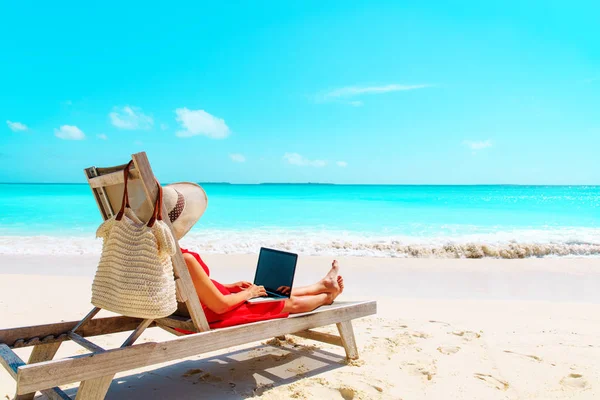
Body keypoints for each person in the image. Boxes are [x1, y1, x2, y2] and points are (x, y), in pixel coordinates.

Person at [146, 182, 344, 329]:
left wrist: (228, 287)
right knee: (286, 303)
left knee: (267, 293)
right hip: (209, 315)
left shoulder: (158, 252)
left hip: (199, 306)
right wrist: (248, 294)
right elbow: (221, 306)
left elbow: (193, 286)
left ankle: (321, 285)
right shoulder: (185, 259)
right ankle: (327, 297)